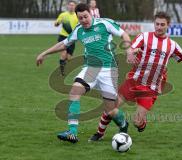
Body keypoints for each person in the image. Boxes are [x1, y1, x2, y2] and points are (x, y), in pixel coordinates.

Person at [89, 11, 182, 141]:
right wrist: (131, 52)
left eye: (162, 24)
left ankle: (141, 123)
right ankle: (99, 134)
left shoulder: (172, 45)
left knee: (137, 122)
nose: (159, 27)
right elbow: (131, 48)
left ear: (168, 25)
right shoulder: (144, 37)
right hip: (133, 81)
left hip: (150, 88)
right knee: (111, 107)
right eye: (157, 24)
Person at [36, 3, 135, 143]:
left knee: (110, 110)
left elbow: (124, 34)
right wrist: (44, 53)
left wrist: (129, 50)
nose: (84, 20)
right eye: (80, 18)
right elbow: (64, 44)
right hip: (91, 68)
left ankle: (123, 125)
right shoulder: (79, 30)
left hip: (109, 70)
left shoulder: (104, 24)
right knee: (74, 92)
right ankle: (72, 132)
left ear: (91, 13)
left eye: (85, 16)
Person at [55, 0, 78, 76]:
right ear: (67, 6)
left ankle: (64, 67)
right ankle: (62, 72)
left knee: (69, 58)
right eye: (70, 5)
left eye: (73, 5)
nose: (71, 6)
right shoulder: (63, 15)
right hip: (63, 37)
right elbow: (56, 24)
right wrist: (57, 22)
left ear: (75, 7)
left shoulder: (77, 16)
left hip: (72, 38)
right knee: (63, 54)